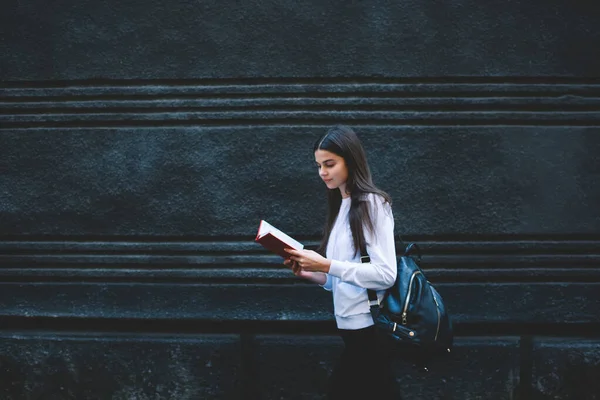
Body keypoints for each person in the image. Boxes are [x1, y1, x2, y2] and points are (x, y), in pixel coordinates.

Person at [284, 125, 401, 399]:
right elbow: (340, 277)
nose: (322, 172)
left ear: (350, 160)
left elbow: (386, 274)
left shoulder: (372, 204)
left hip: (369, 329)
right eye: (319, 165)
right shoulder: (342, 206)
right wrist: (311, 273)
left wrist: (325, 265)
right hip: (350, 329)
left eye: (329, 164)